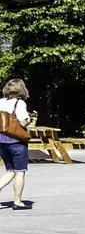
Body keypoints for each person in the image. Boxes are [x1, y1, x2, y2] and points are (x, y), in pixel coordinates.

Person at [0, 78, 35, 210]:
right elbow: (23, 122)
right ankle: (17, 201)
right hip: (17, 142)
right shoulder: (19, 103)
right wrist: (29, 119)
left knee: (10, 171)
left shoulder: (0, 102)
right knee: (19, 172)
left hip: (2, 141)